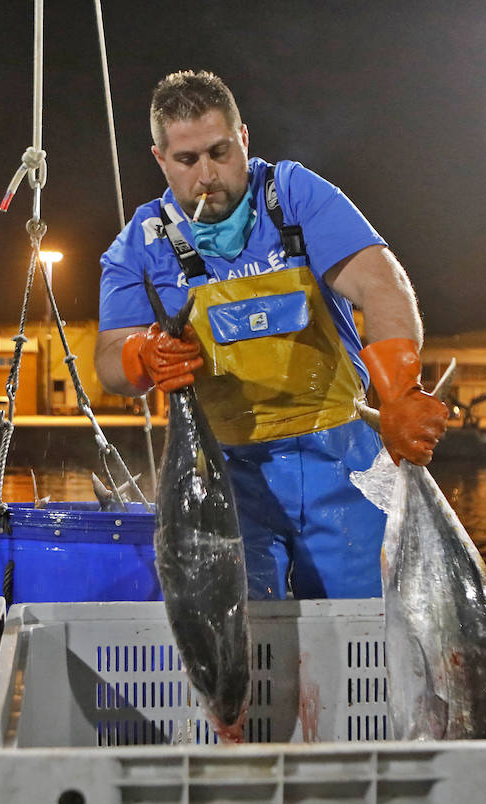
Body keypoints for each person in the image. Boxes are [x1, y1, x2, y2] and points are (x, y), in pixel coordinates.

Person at [96, 70, 449, 600]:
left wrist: (401, 392)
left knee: (366, 632)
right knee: (242, 635)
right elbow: (106, 360)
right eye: (188, 160)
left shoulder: (292, 194)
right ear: (160, 159)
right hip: (224, 476)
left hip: (344, 465)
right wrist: (141, 357)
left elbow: (382, 285)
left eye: (219, 151)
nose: (208, 175)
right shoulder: (141, 242)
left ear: (242, 138)